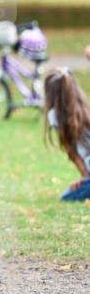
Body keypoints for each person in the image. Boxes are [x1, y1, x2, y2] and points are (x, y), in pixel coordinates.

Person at [43, 68, 90, 202]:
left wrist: (84, 177)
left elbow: (72, 152)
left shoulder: (55, 115)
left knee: (65, 197)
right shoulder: (85, 109)